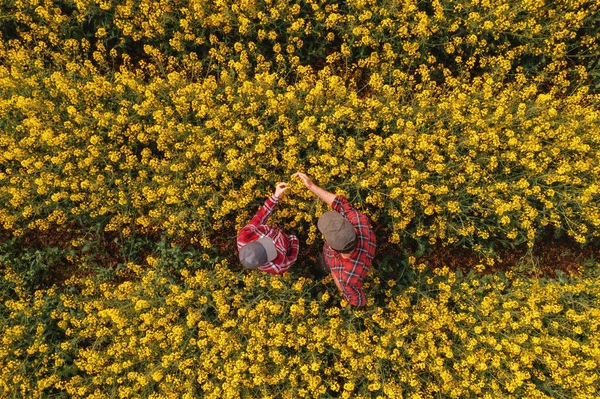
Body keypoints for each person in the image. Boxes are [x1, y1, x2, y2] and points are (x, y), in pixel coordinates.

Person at [294, 172, 376, 306]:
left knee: (321, 267)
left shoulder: (346, 277)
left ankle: (320, 268)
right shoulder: (360, 223)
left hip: (332, 267)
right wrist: (311, 186)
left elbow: (359, 301)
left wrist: (337, 278)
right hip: (362, 261)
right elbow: (340, 204)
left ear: (331, 247)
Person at [237, 182, 299, 274]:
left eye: (265, 243)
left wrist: (275, 197)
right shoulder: (279, 266)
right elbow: (293, 256)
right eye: (271, 249)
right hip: (287, 240)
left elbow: (259, 217)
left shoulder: (244, 236)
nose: (272, 243)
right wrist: (293, 238)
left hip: (275, 228)